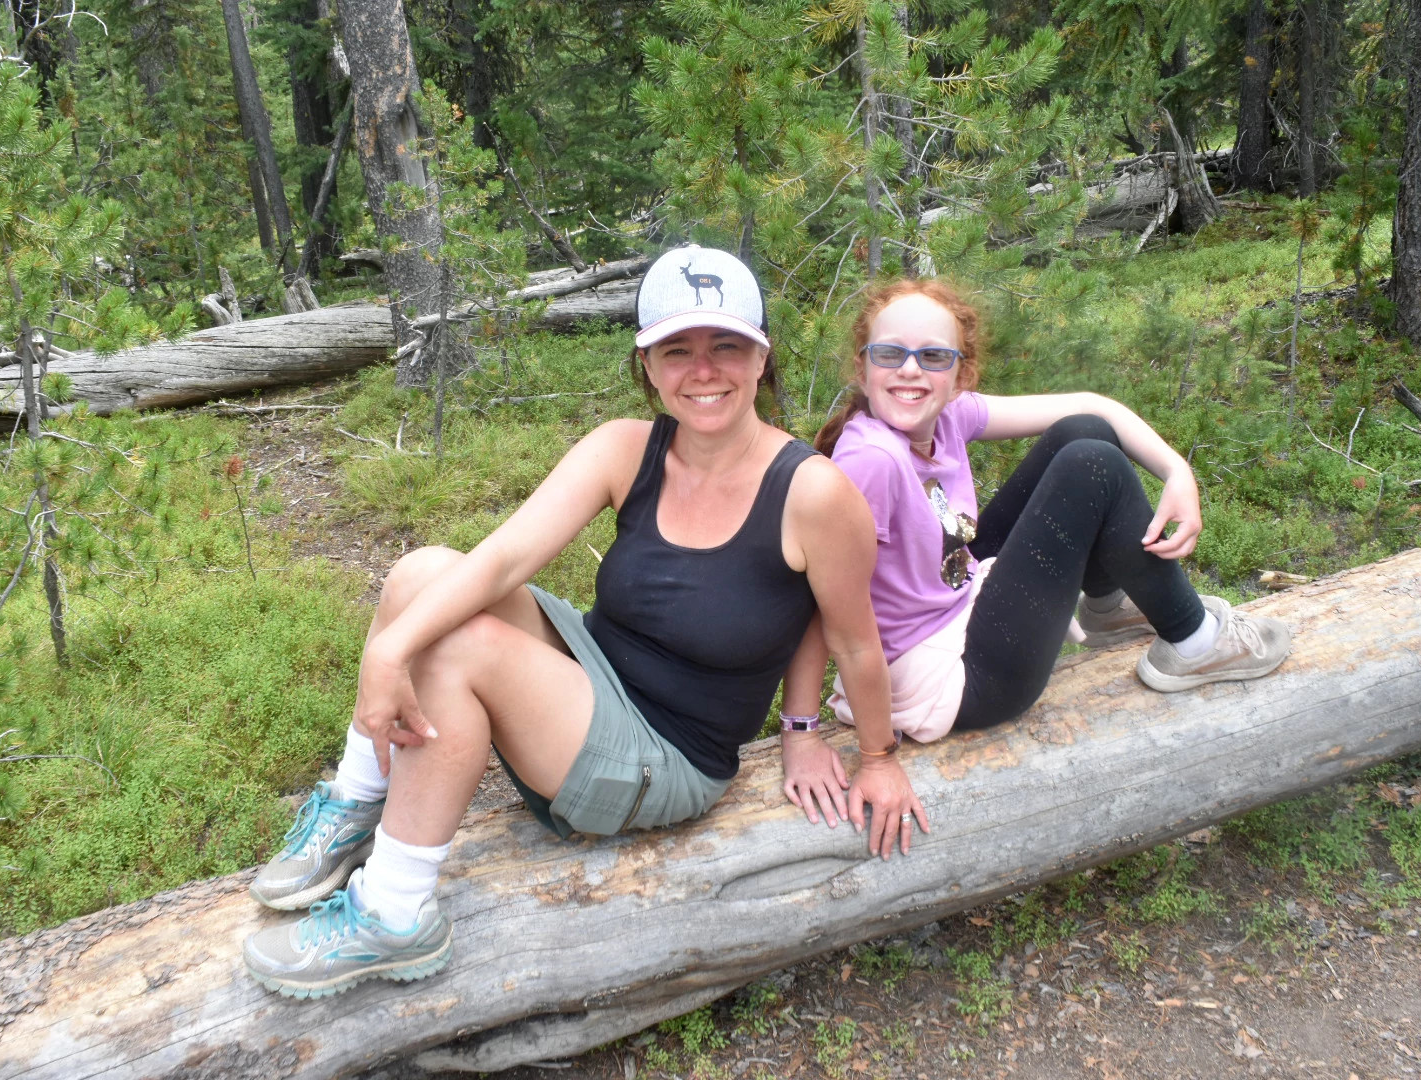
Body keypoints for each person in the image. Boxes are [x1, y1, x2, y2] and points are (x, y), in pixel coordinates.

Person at [241, 246, 928, 1000]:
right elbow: (502, 560)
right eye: (678, 350)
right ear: (648, 365)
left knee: (456, 651)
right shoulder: (626, 449)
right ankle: (355, 804)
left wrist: (875, 756)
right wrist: (386, 650)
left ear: (761, 357)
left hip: (668, 755)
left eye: (726, 345)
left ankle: (395, 913)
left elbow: (848, 636)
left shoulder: (813, 493)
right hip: (593, 686)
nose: (704, 371)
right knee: (421, 576)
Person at [776, 279, 1291, 828]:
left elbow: (1092, 406)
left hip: (961, 600)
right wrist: (818, 738)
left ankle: (1107, 604)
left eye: (932, 356)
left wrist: (1177, 472)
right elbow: (816, 604)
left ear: (959, 374)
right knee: (1092, 466)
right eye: (889, 353)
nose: (909, 370)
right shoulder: (871, 461)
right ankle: (1198, 644)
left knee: (1083, 431)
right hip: (953, 678)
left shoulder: (947, 418)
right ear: (862, 368)